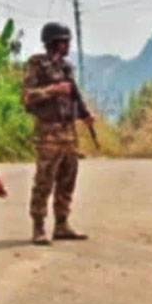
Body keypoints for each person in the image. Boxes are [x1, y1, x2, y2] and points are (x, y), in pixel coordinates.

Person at [22, 22, 95, 245]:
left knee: (67, 178)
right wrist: (53, 90)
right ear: (54, 42)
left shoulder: (66, 68)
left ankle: (62, 224)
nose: (67, 45)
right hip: (48, 131)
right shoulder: (37, 64)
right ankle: (39, 227)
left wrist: (84, 114)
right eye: (64, 41)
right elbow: (27, 97)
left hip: (68, 131)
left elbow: (74, 95)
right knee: (44, 180)